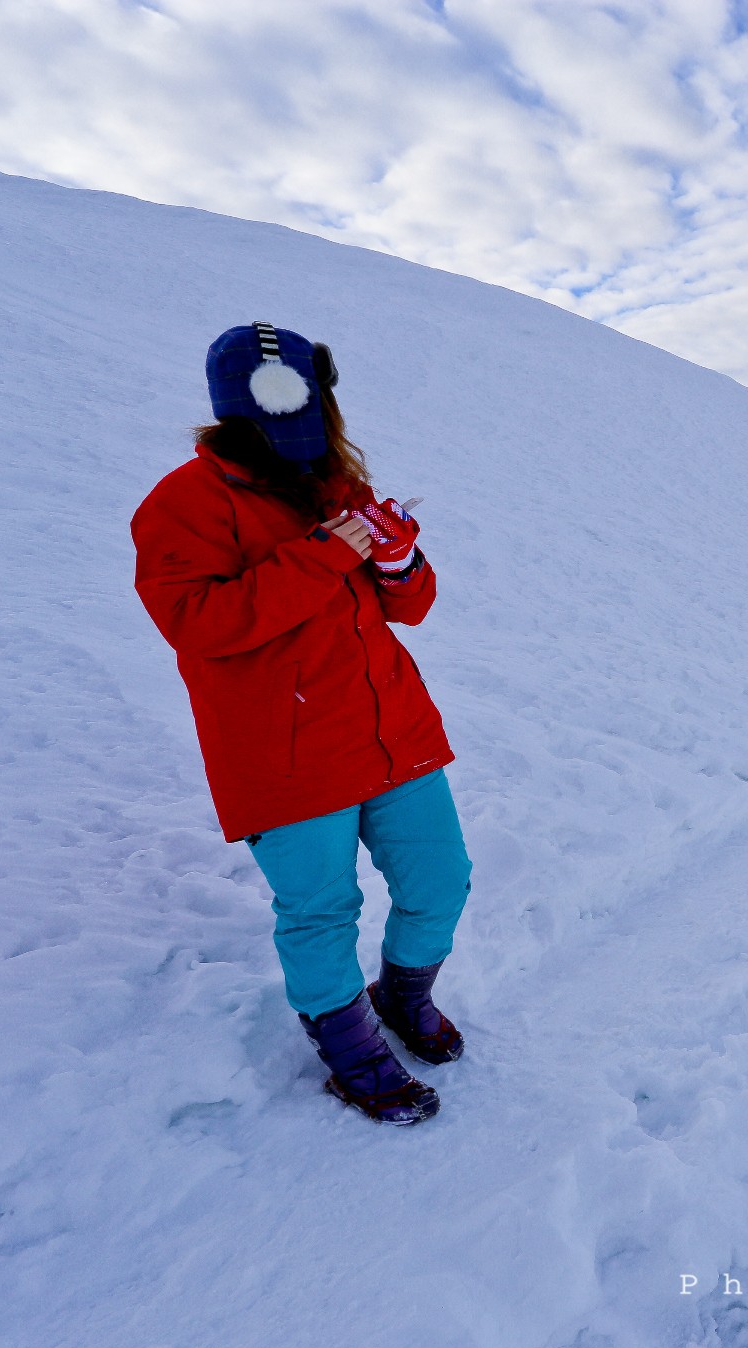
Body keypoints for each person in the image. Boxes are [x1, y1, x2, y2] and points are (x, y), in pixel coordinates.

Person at [132, 322, 470, 1126]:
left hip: (391, 731)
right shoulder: (179, 504)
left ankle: (402, 994)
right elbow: (198, 623)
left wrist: (397, 561)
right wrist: (321, 553)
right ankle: (351, 1049)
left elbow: (409, 608)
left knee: (441, 881)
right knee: (320, 910)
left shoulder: (334, 481)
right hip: (284, 754)